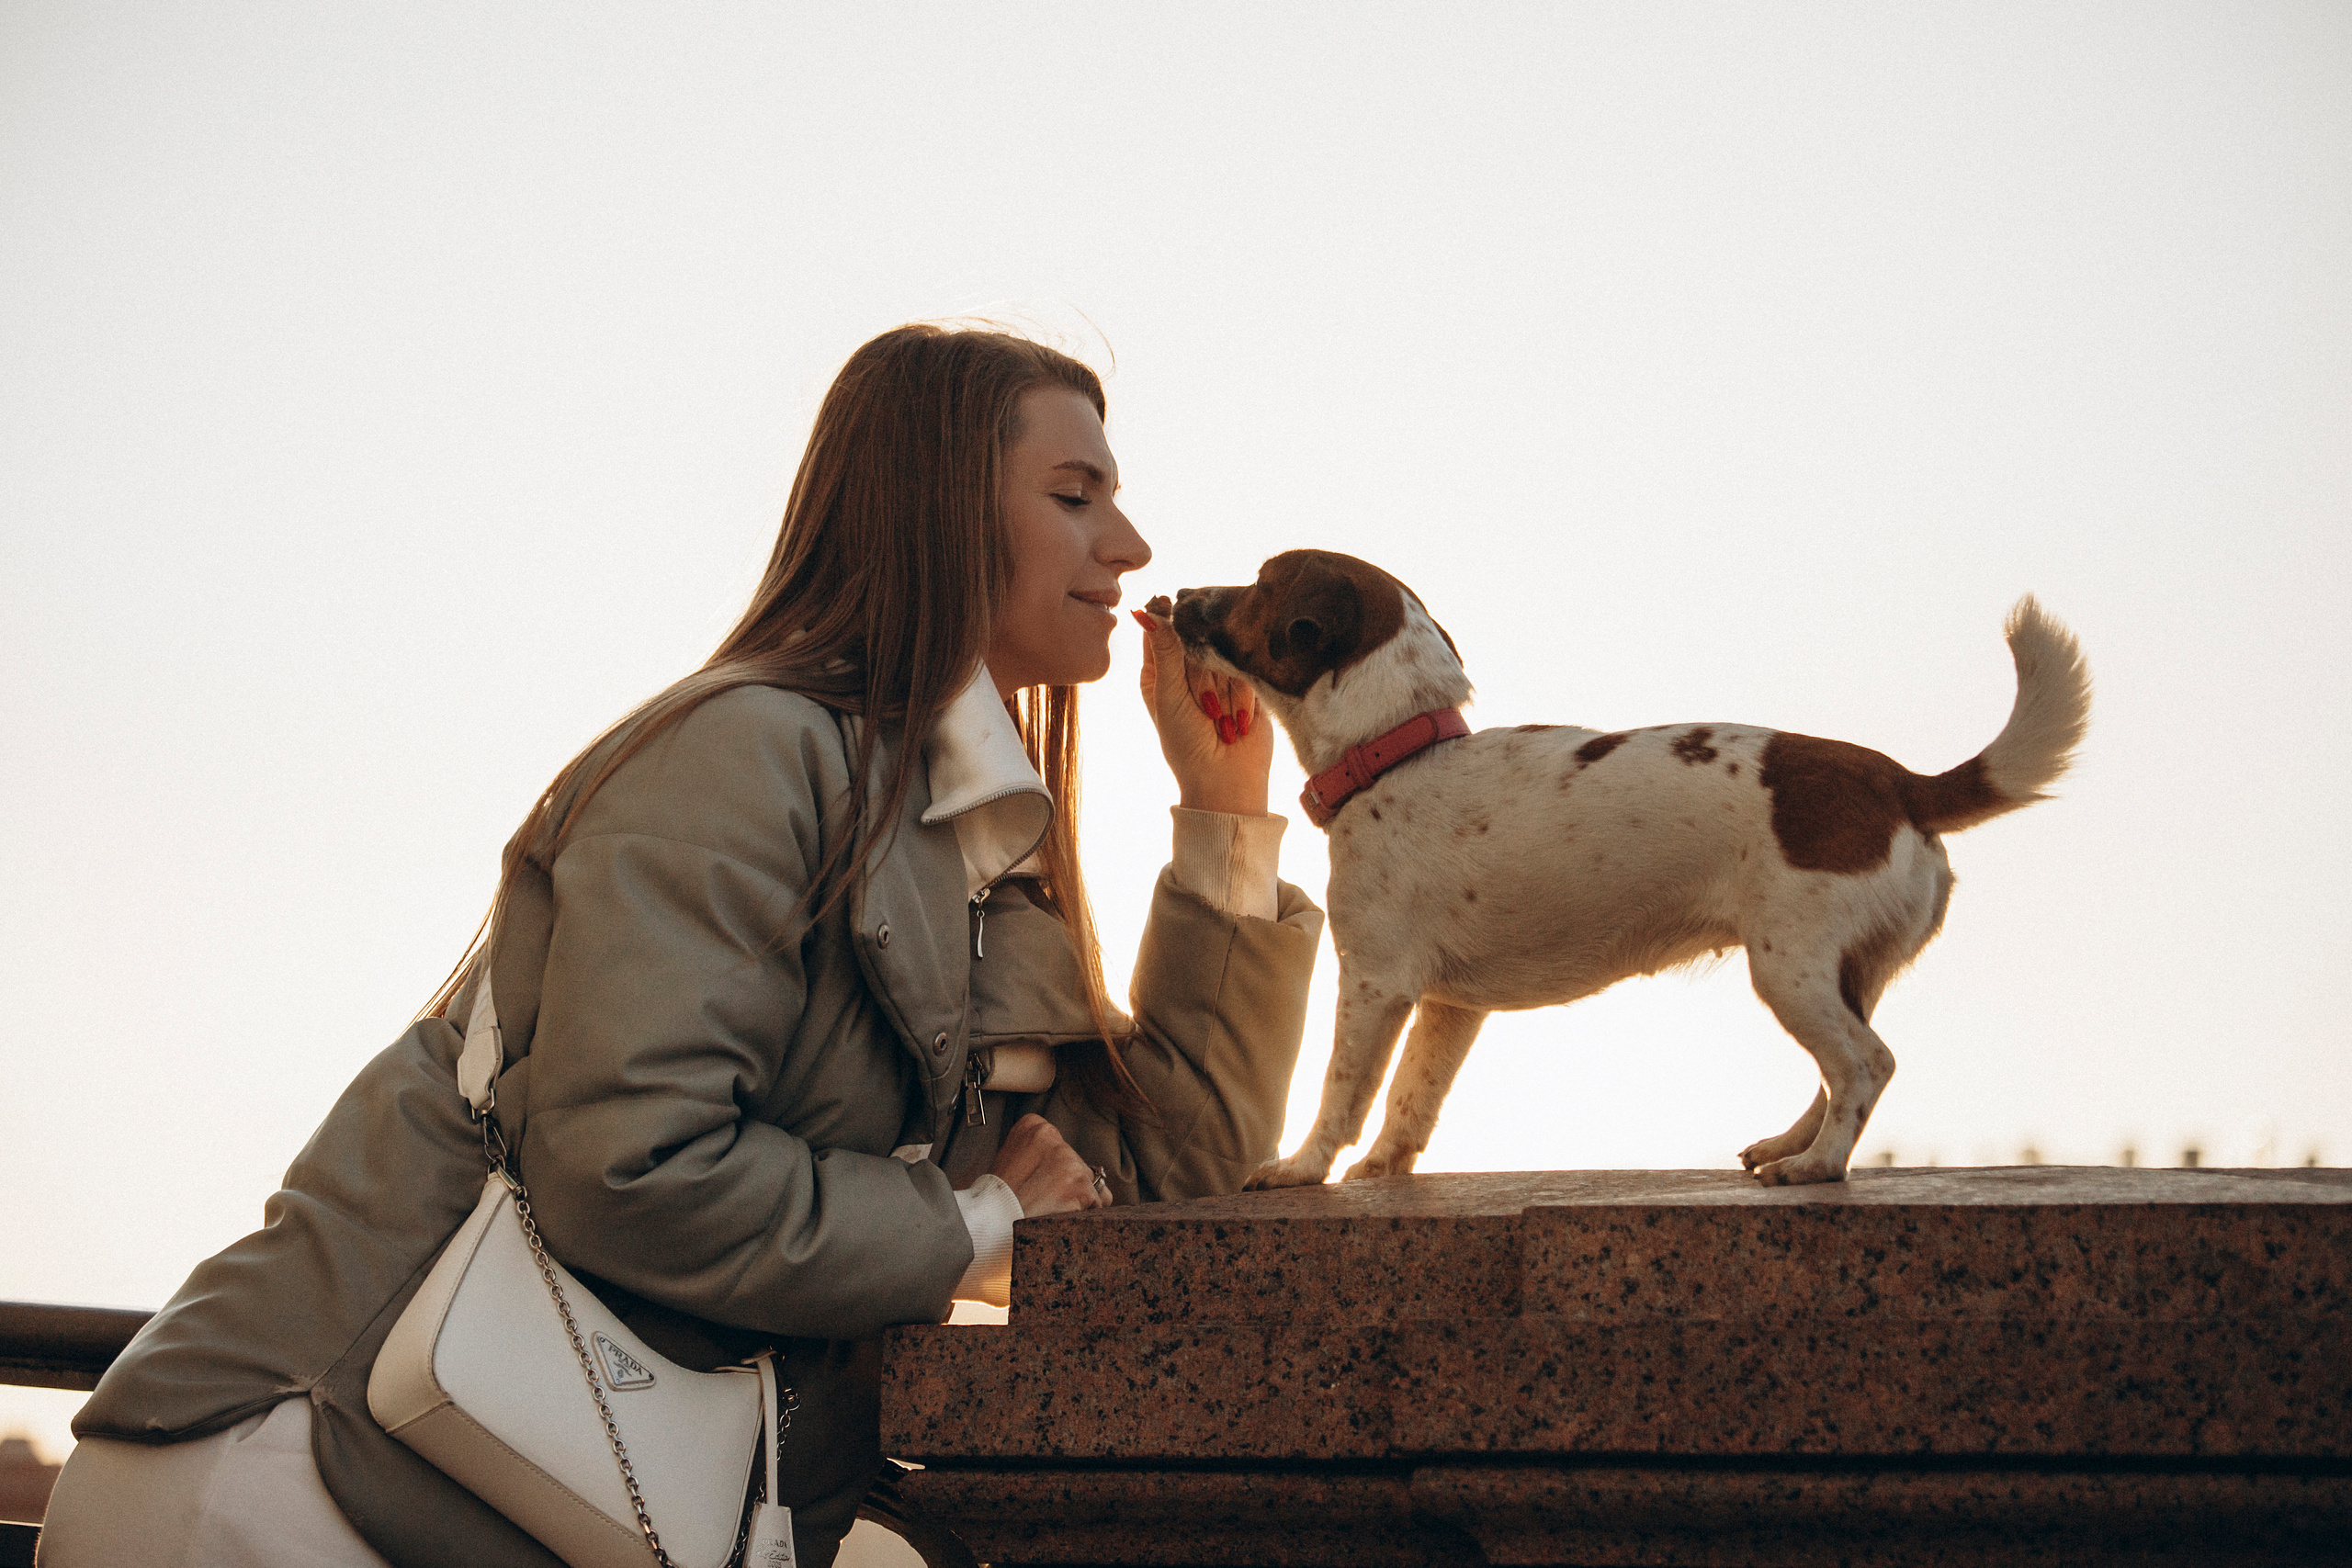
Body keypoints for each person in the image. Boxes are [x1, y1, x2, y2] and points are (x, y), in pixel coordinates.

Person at [40, 324, 1323, 1568]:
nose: (1132, 543)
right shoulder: (749, 753)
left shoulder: (975, 841)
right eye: (1074, 492)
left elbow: (1161, 1192)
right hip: (308, 1480)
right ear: (939, 513)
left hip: (510, 1487)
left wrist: (1225, 824)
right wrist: (972, 1222)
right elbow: (633, 1168)